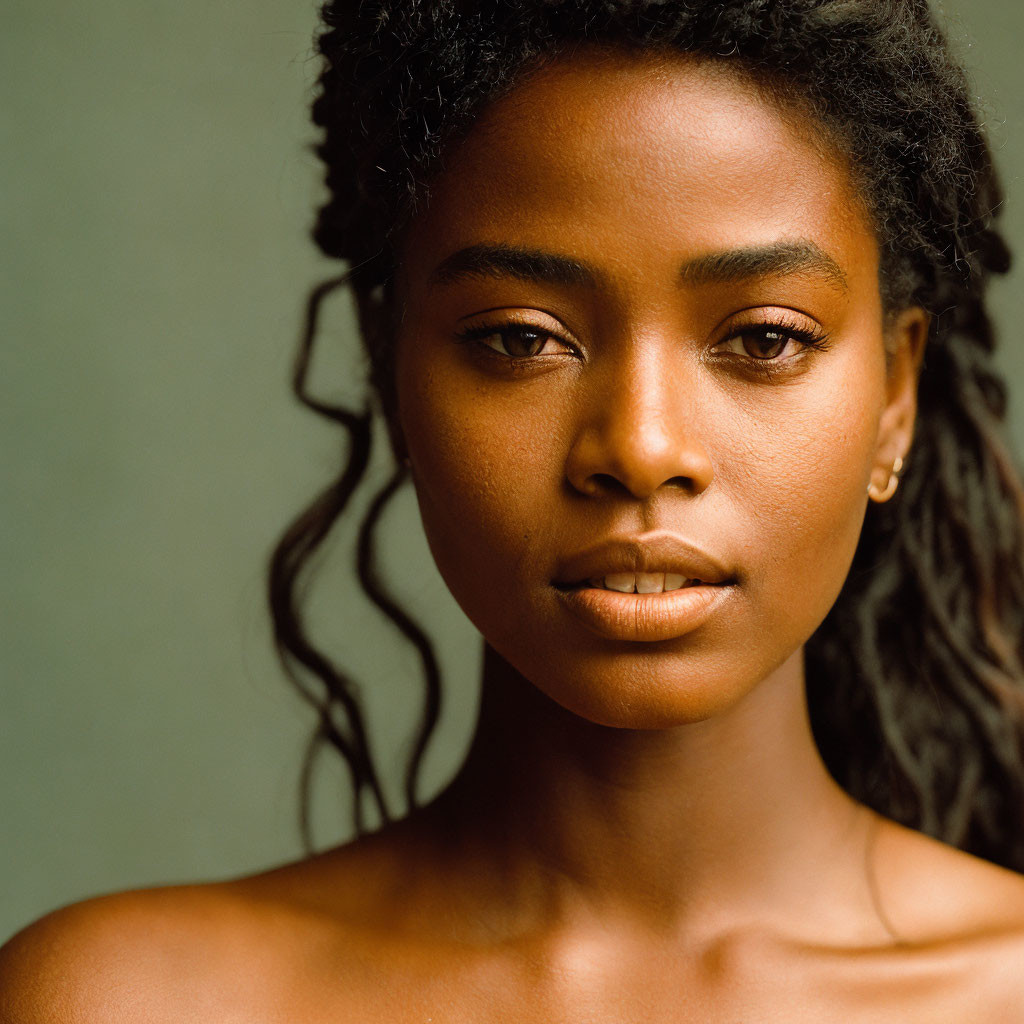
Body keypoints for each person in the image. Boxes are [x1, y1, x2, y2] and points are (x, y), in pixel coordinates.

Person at [4, 0, 1024, 1019]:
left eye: (762, 338)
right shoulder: (124, 1000)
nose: (639, 447)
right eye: (520, 338)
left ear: (895, 396)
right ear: (387, 365)